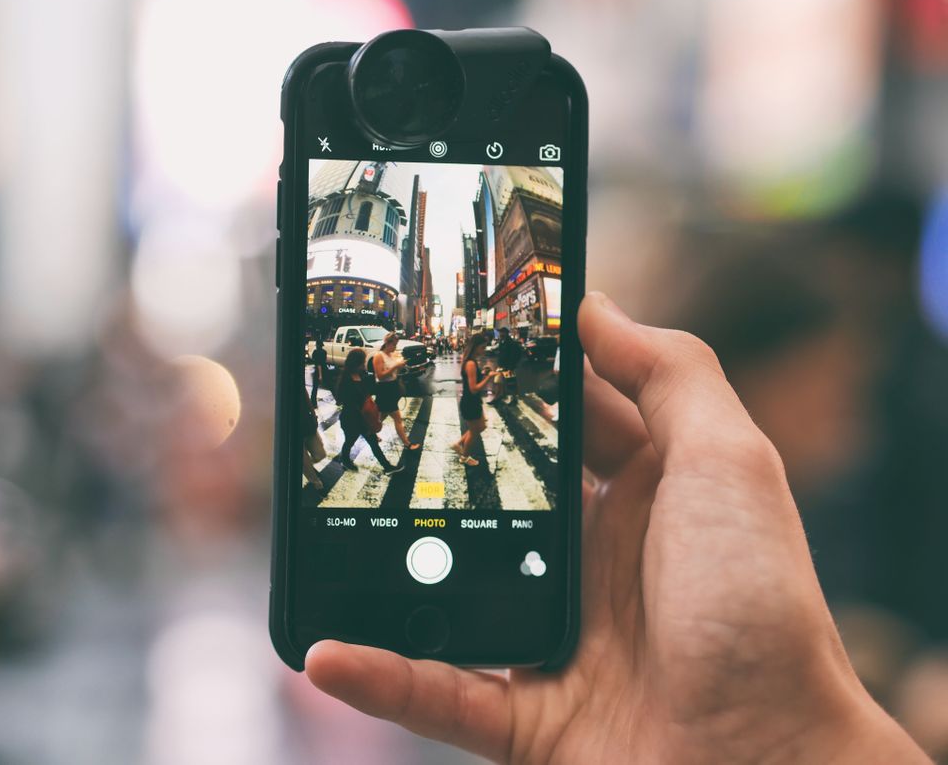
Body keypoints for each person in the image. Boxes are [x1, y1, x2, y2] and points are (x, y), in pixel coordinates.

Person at [305, 293, 930, 764]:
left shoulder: (849, 504)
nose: (851, 410)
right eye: (829, 383)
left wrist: (788, 736)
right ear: (766, 370)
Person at [336, 348, 403, 475]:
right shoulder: (346, 381)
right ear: (355, 364)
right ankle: (345, 459)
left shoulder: (361, 376)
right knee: (350, 441)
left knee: (372, 443)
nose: (363, 365)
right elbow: (348, 402)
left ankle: (387, 467)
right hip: (351, 419)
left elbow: (373, 390)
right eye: (362, 363)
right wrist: (366, 424)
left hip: (362, 418)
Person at [451, 333, 499, 467]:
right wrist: (488, 377)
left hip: (471, 401)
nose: (484, 350)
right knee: (474, 431)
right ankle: (464, 457)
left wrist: (482, 374)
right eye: (482, 347)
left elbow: (472, 381)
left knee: (481, 426)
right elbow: (473, 388)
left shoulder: (470, 361)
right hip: (470, 402)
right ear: (476, 347)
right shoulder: (471, 363)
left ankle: (459, 443)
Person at [372, 333, 421, 451]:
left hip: (392, 388)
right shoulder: (379, 356)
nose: (395, 347)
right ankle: (407, 444)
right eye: (394, 344)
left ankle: (371, 434)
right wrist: (395, 366)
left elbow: (394, 373)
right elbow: (380, 375)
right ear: (387, 343)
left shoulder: (392, 355)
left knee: (381, 416)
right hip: (384, 389)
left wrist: (400, 367)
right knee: (397, 419)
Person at [301, 384, 326, 489]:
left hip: (305, 420)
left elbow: (304, 393)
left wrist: (313, 413)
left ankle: (305, 466)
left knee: (320, 454)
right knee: (303, 459)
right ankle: (315, 482)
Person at [494, 326, 523, 403]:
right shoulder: (501, 342)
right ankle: (499, 397)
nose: (500, 334)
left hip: (508, 367)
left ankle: (513, 399)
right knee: (498, 382)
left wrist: (511, 367)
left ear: (506, 333)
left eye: (502, 332)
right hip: (501, 366)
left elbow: (513, 356)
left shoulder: (511, 343)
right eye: (500, 332)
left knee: (510, 384)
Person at [310, 339, 328, 408]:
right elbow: (323, 361)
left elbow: (318, 364)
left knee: (315, 387)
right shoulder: (324, 352)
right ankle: (338, 400)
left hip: (318, 371)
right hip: (325, 369)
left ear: (317, 345)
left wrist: (320, 375)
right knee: (330, 385)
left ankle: (313, 403)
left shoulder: (315, 352)